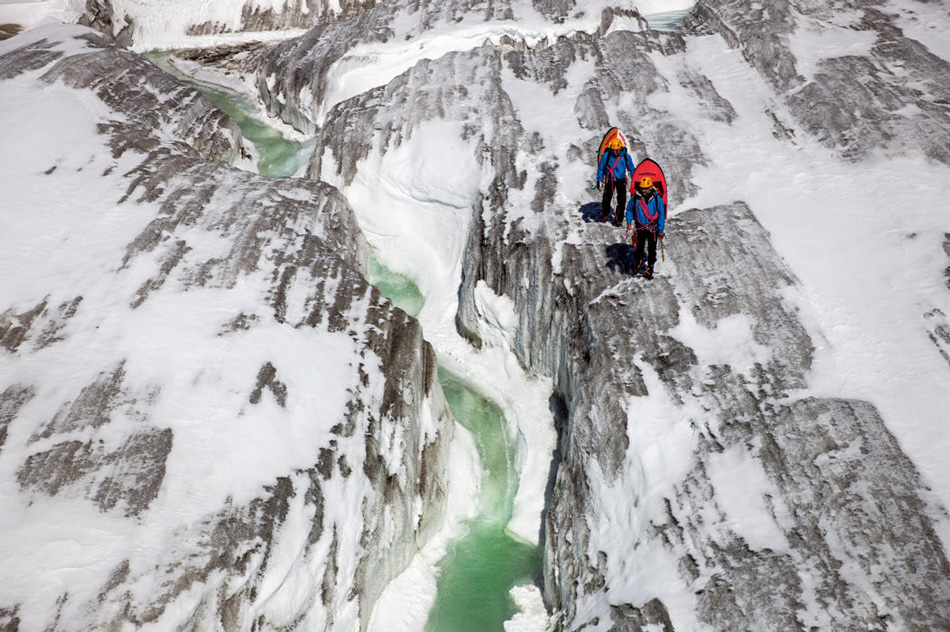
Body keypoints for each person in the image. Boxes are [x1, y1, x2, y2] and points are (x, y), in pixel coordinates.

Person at [625, 176, 666, 279]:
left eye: (646, 188)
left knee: (652, 249)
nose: (644, 190)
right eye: (643, 188)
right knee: (639, 247)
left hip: (653, 228)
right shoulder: (635, 197)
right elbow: (629, 209)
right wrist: (629, 222)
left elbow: (661, 214)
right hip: (640, 227)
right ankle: (638, 261)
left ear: (650, 187)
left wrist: (661, 230)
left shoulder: (657, 199)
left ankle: (650, 267)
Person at [596, 138, 636, 226]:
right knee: (606, 198)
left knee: (621, 200)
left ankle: (619, 219)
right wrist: (599, 180)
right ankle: (605, 213)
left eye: (616, 150)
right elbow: (601, 168)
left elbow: (632, 169)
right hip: (609, 180)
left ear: (620, 148)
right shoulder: (607, 155)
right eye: (613, 150)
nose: (614, 152)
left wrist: (635, 180)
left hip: (621, 180)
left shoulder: (625, 156)